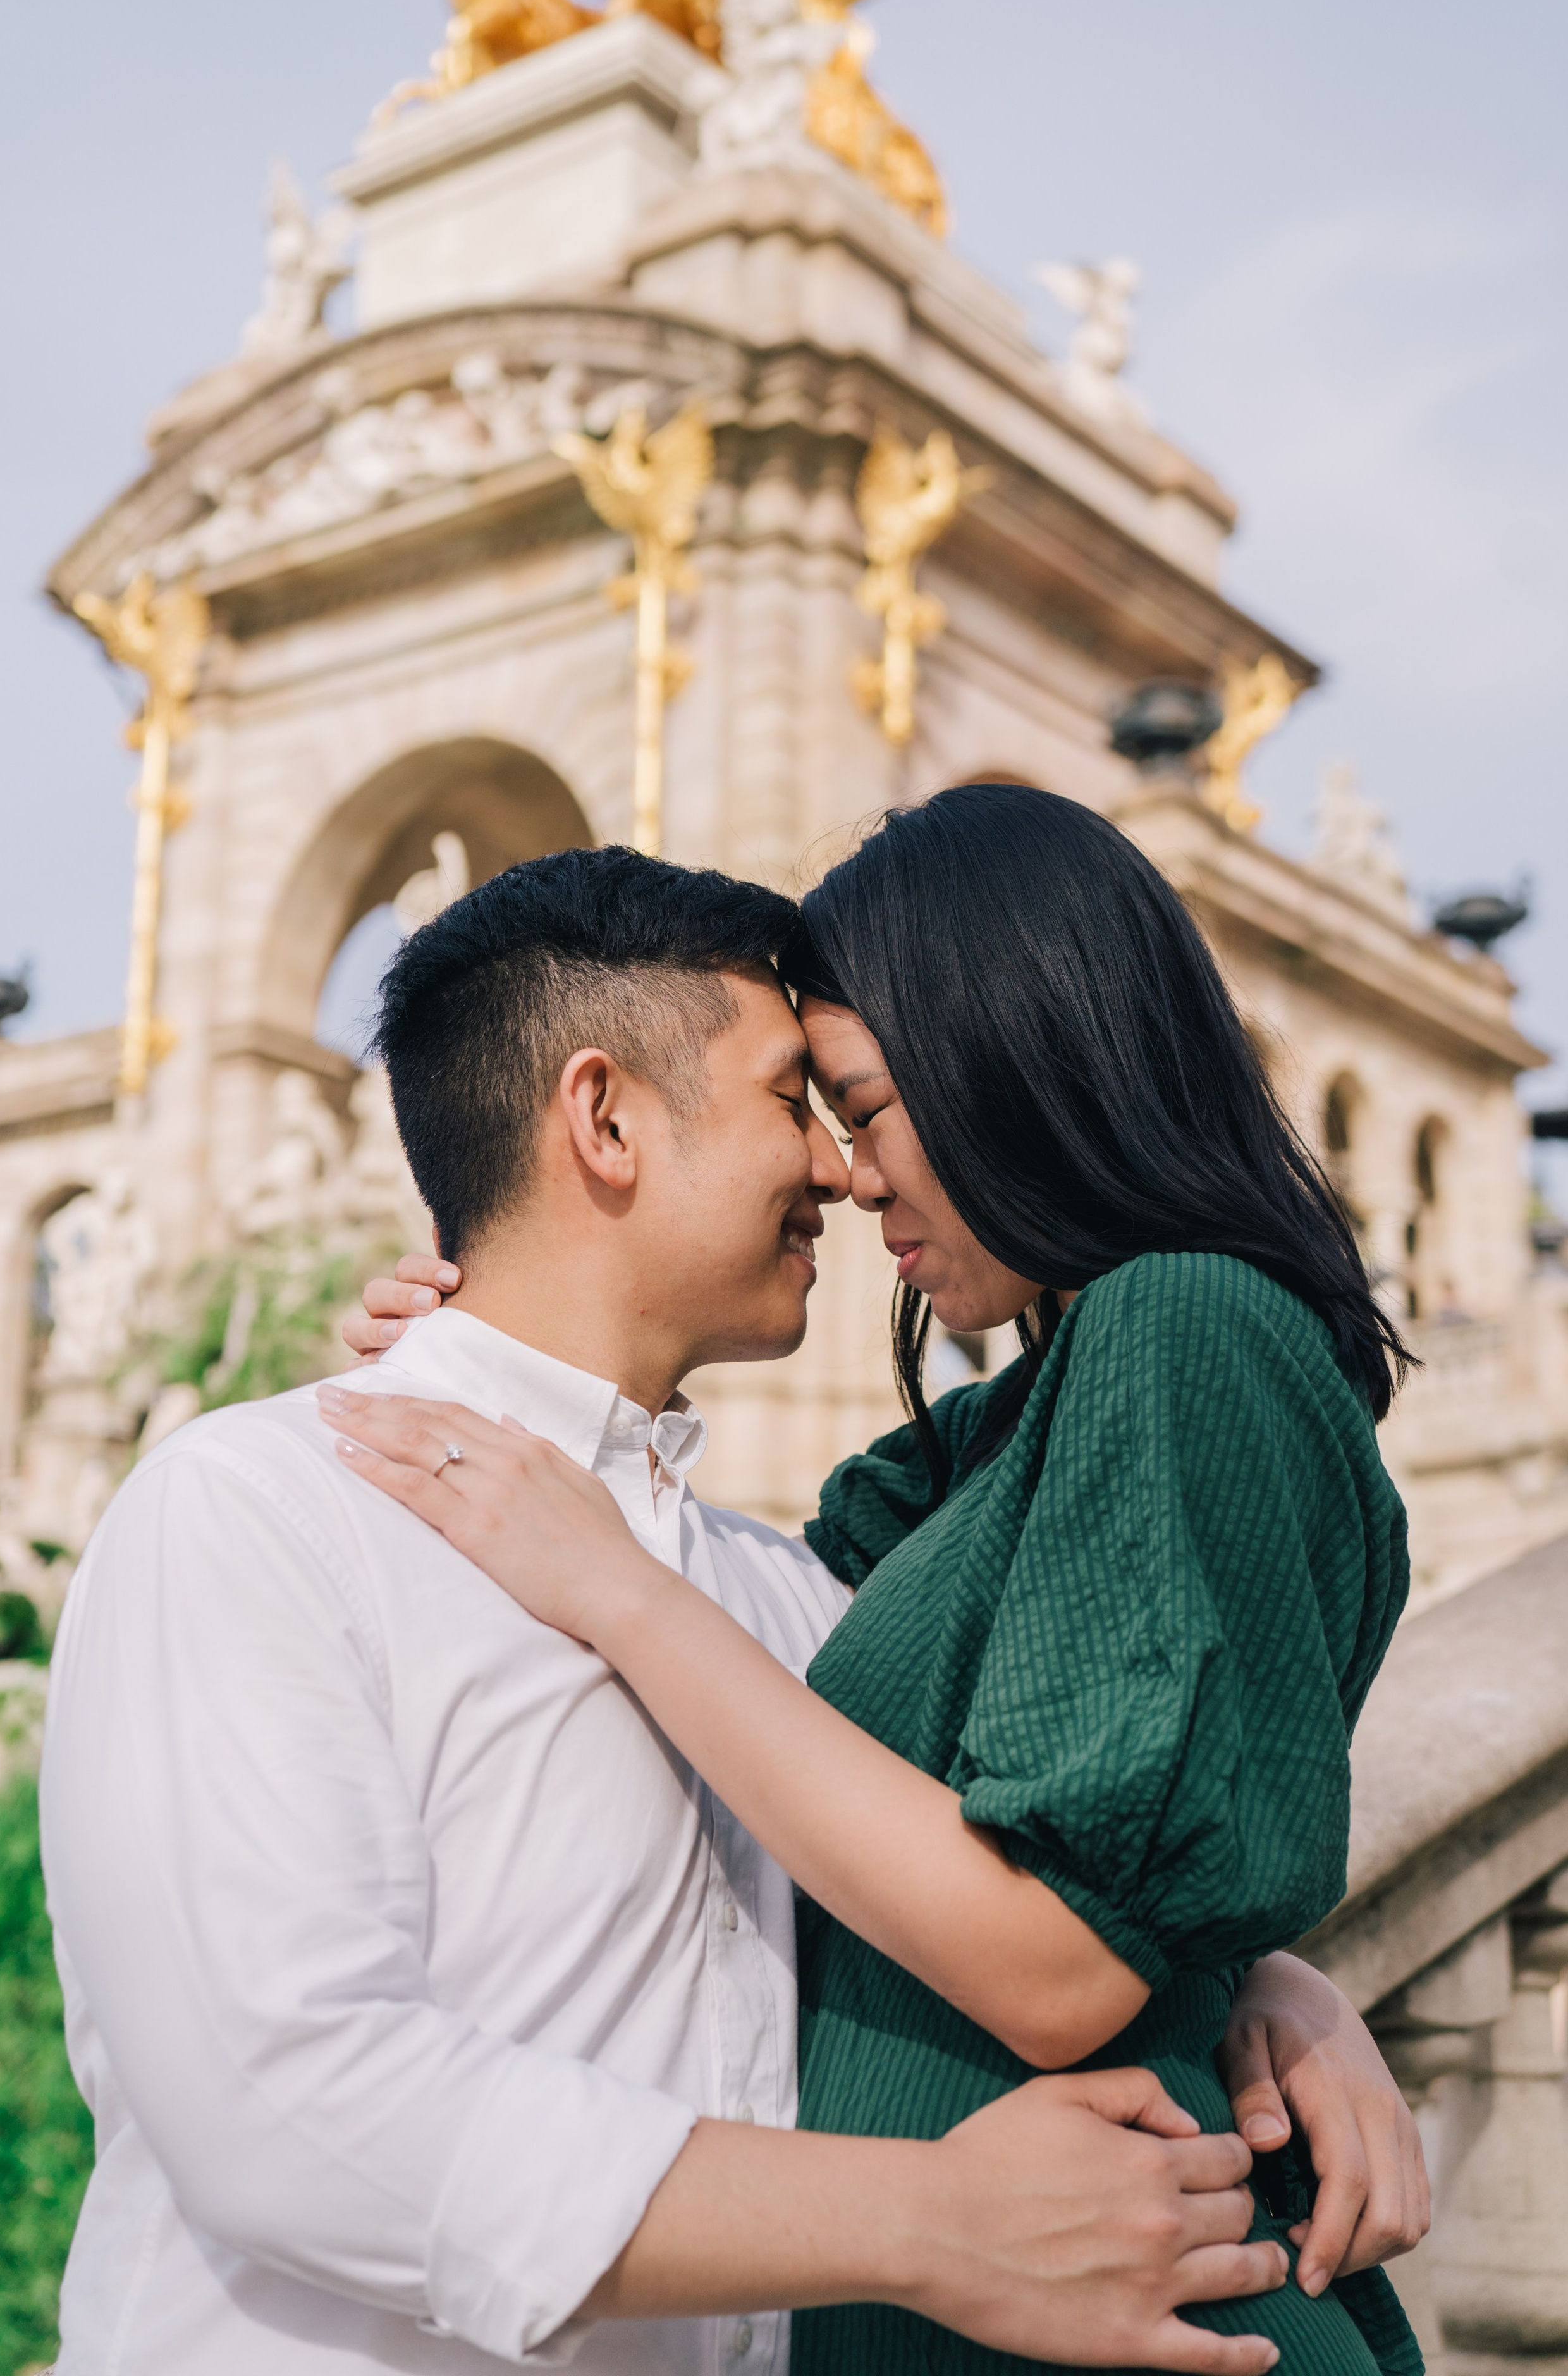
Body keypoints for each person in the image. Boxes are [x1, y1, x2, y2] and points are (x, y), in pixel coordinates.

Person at [42, 847, 1301, 2376]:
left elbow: (1035, 1863)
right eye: (794, 1102)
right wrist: (932, 2221)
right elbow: (291, 2104)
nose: (839, 1171)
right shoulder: (256, 1512)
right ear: (606, 1118)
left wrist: (1259, 1986)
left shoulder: (783, 1599)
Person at [331, 792, 1429, 2376]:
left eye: (863, 1104)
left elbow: (1059, 1958)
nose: (850, 1178)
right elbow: (923, 1770)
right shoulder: (996, 1444)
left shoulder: (1185, 1328)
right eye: (817, 1110)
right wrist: (481, 1362)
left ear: (1012, 1065)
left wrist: (618, 1590)